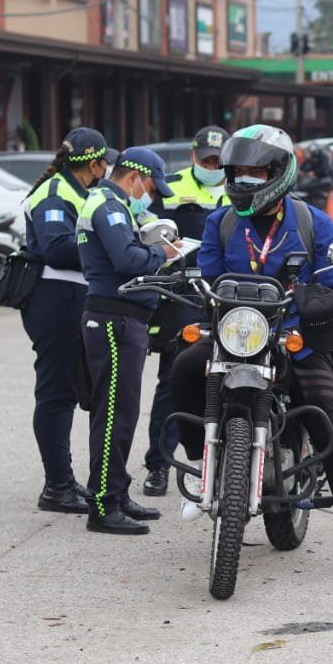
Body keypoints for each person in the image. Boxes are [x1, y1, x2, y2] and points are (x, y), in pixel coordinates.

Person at [170, 124, 333, 578]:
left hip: (292, 340)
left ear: (278, 173)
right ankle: (200, 466)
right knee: (184, 369)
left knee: (329, 420)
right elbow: (206, 278)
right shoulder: (222, 221)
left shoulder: (311, 221)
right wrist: (188, 288)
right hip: (235, 334)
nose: (244, 182)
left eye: (254, 173)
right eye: (238, 173)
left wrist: (322, 295)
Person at [76, 146, 181, 535]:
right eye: (151, 187)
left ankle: (116, 493)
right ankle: (103, 504)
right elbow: (128, 260)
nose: (151, 196)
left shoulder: (110, 203)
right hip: (114, 322)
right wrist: (165, 252)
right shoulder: (110, 206)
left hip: (121, 321)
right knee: (114, 417)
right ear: (134, 178)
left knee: (122, 413)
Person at [140, 126, 231, 498]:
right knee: (174, 379)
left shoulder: (245, 188)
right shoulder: (172, 187)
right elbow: (144, 228)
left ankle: (231, 455)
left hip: (236, 296)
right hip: (188, 295)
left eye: (218, 160)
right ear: (193, 156)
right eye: (206, 158)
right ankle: (159, 465)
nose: (212, 165)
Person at [21, 127, 108, 514]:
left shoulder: (79, 190)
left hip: (72, 296)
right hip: (54, 298)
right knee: (56, 392)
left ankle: (66, 480)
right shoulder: (56, 193)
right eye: (105, 162)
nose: (107, 168)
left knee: (72, 392)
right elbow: (56, 247)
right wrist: (106, 245)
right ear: (93, 163)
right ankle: (57, 485)